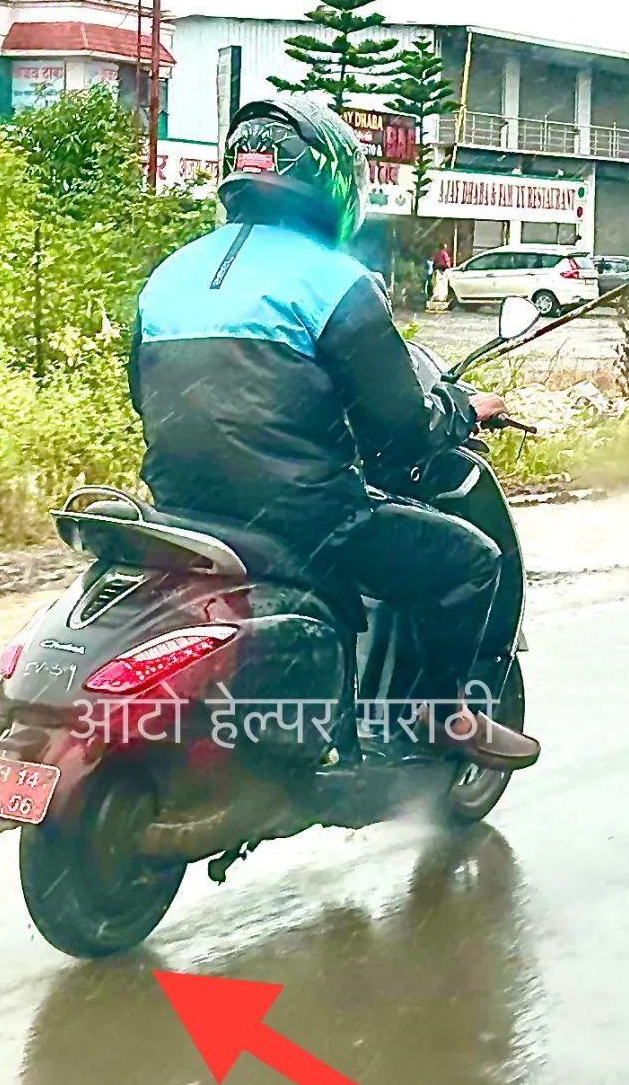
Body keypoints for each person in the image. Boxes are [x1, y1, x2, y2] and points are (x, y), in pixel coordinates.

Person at [127, 98, 539, 771]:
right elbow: (401, 433)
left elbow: (143, 398)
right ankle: (443, 718)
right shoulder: (335, 282)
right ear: (333, 184)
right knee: (467, 562)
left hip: (181, 511)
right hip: (306, 520)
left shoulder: (167, 275)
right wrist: (461, 412)